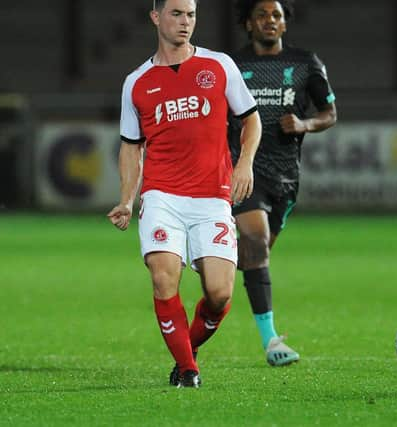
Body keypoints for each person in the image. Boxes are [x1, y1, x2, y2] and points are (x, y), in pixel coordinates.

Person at [107, 0, 261, 388]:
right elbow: (130, 146)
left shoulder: (219, 65)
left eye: (191, 14)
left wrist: (244, 164)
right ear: (156, 17)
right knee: (163, 279)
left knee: (219, 294)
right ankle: (188, 371)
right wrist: (128, 198)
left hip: (213, 195)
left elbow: (251, 120)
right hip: (162, 196)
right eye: (176, 13)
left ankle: (185, 354)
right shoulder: (137, 82)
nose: (185, 22)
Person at [229, 0, 337, 366]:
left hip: (286, 177)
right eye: (261, 15)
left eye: (276, 15)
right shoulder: (232, 67)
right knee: (256, 241)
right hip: (243, 170)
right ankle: (271, 341)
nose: (269, 21)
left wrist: (305, 125)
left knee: (250, 259)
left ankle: (210, 289)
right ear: (248, 23)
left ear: (285, 24)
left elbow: (329, 113)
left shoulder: (307, 63)